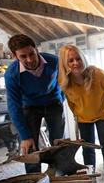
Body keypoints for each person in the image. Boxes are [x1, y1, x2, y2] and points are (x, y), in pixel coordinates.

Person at [58, 44, 104, 183]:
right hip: (83, 118)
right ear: (65, 64)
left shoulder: (98, 74)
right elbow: (72, 105)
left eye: (78, 58)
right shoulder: (65, 82)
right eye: (71, 60)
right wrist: (77, 124)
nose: (75, 63)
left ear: (83, 58)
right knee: (87, 150)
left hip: (103, 115)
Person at [5, 34, 65, 173]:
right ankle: (35, 180)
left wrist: (61, 99)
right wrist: (25, 136)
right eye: (23, 56)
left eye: (32, 53)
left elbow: (65, 83)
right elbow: (14, 106)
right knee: (30, 147)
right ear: (15, 56)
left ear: (36, 49)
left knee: (58, 142)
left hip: (53, 103)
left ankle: (58, 173)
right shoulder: (11, 75)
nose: (30, 59)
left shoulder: (54, 61)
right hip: (30, 106)